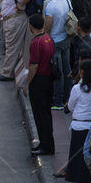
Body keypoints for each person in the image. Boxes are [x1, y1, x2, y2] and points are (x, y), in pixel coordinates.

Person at [24, 14, 55, 156]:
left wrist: (26, 84)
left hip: (39, 81)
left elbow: (34, 66)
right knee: (45, 114)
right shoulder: (48, 39)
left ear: (31, 26)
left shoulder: (35, 43)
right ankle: (45, 143)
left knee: (40, 115)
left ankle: (46, 146)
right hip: (48, 79)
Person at [42, 0, 72, 109]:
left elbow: (47, 27)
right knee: (67, 71)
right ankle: (68, 98)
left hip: (55, 42)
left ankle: (57, 101)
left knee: (57, 72)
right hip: (66, 39)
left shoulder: (51, 5)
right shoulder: (67, 1)